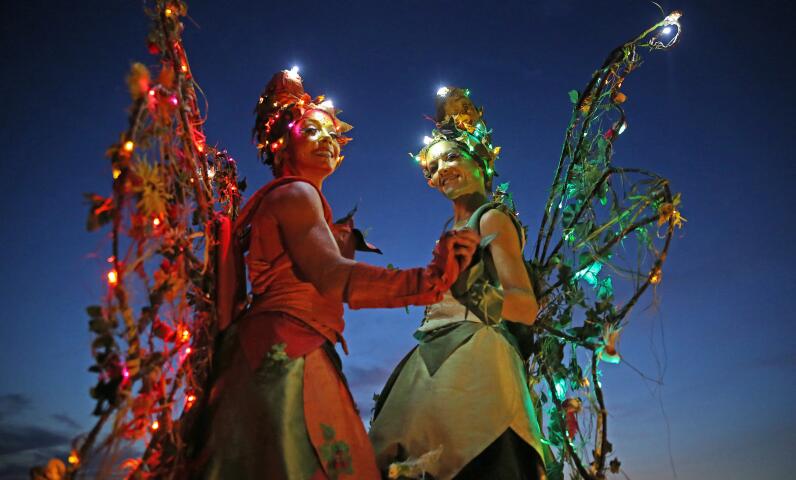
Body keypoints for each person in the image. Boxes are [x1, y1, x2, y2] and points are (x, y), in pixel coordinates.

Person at [190, 72, 479, 480]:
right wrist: (430, 280)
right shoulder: (296, 194)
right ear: (281, 145)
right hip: (289, 351)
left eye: (331, 133)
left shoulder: (286, 200)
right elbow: (331, 275)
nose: (326, 139)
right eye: (311, 130)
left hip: (271, 350)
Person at [368, 87, 547, 479]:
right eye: (433, 166)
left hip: (477, 365)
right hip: (433, 358)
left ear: (480, 161)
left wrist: (478, 296)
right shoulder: (450, 230)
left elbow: (526, 307)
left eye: (452, 156)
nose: (442, 170)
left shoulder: (491, 219)